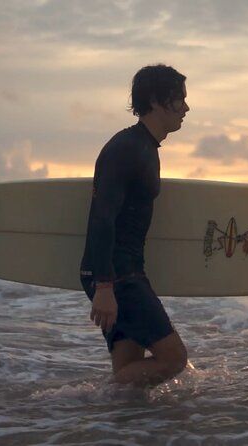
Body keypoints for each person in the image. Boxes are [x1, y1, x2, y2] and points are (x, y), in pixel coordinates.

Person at [80, 64, 190, 386]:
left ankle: (116, 423)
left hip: (122, 273)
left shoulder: (145, 148)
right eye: (179, 99)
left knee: (130, 371)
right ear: (156, 101)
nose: (186, 107)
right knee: (173, 359)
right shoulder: (127, 149)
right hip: (118, 276)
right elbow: (102, 217)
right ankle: (74, 402)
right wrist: (104, 287)